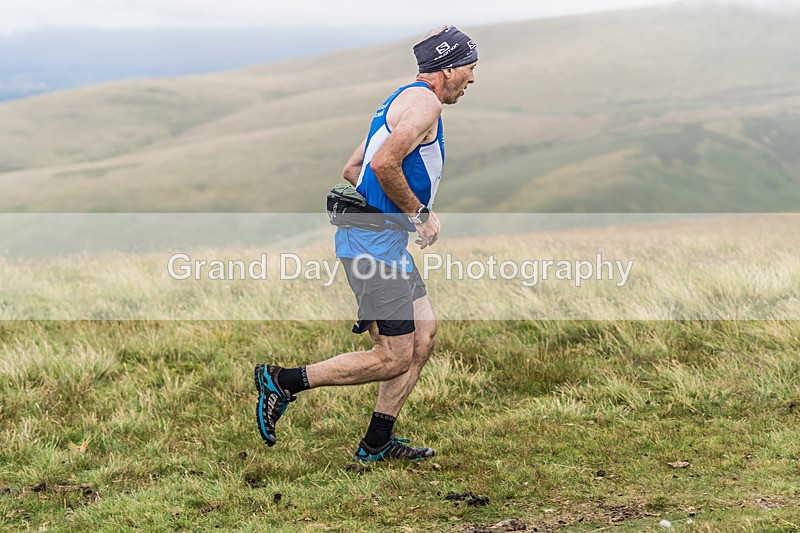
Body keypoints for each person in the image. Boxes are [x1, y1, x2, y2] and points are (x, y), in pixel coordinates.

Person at [254, 25, 477, 462]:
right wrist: (419, 214)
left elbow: (353, 167)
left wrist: (386, 211)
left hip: (382, 242)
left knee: (424, 335)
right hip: (373, 249)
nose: (473, 79)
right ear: (448, 69)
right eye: (470, 68)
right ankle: (282, 381)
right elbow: (383, 161)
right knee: (392, 357)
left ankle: (377, 443)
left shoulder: (400, 99)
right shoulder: (426, 104)